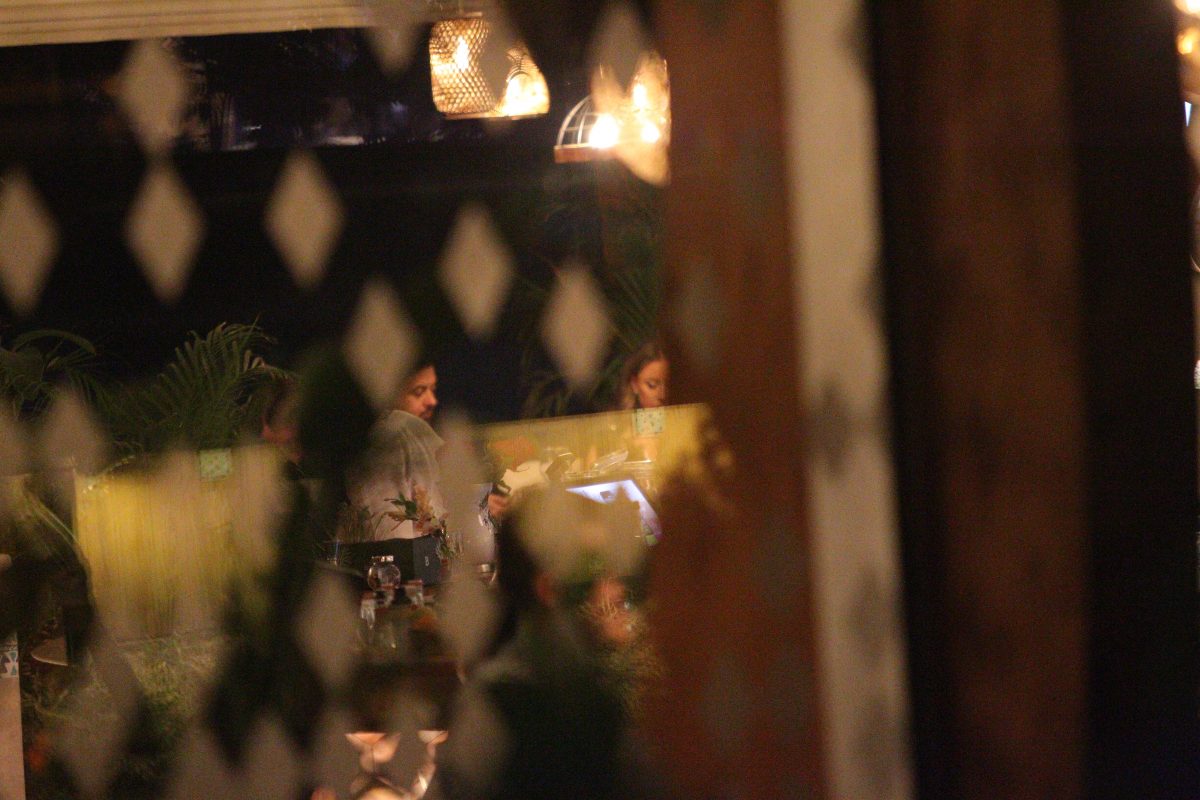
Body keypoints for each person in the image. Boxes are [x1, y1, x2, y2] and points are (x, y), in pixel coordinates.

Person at [615, 343, 668, 410]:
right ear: (634, 384)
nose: (663, 395)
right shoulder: (614, 415)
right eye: (652, 385)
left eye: (669, 385)